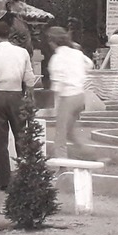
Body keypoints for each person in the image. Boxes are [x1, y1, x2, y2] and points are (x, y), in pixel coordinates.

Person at [0, 20, 37, 191]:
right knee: (21, 137)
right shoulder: (22, 53)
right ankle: (25, 175)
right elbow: (30, 79)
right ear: (9, 34)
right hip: (16, 95)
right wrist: (29, 100)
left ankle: (4, 180)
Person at [45, 25, 94, 159]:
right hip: (80, 96)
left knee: (60, 136)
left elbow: (57, 85)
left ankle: (62, 167)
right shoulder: (77, 53)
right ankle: (88, 153)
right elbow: (89, 65)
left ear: (53, 42)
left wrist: (51, 106)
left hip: (67, 97)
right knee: (69, 132)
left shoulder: (57, 58)